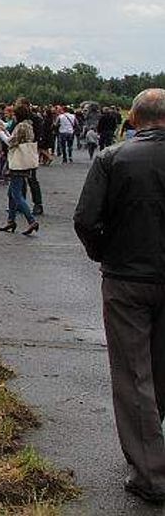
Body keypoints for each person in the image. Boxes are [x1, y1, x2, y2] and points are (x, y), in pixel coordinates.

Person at [73, 89, 165, 504]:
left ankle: (150, 471)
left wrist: (104, 253)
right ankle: (151, 446)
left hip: (127, 277)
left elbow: (86, 218)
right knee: (159, 369)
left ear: (133, 117)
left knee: (132, 373)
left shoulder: (112, 158)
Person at [0, 98, 39, 235]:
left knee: (16, 194)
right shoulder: (28, 125)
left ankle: (31, 221)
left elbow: (10, 142)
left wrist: (0, 132)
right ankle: (11, 221)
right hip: (25, 161)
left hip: (18, 163)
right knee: (11, 193)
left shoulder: (21, 126)